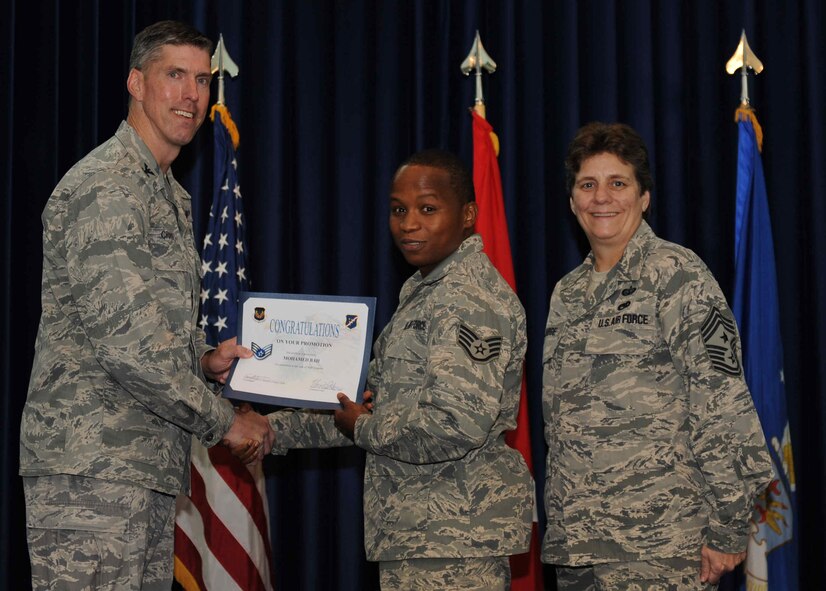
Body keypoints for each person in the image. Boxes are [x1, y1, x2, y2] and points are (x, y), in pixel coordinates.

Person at [19, 20, 274, 590]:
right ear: (136, 82)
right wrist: (223, 422)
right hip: (91, 471)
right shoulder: (108, 187)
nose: (191, 95)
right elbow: (130, 348)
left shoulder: (165, 193)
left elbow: (148, 329)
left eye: (202, 80)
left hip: (139, 467)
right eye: (174, 76)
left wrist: (204, 360)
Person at [245, 149, 533, 589]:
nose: (409, 223)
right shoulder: (425, 292)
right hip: (420, 538)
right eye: (398, 209)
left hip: (454, 544)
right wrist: (269, 430)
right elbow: (360, 404)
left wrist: (363, 429)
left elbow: (454, 424)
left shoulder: (469, 298)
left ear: (469, 214)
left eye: (428, 208)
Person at [541, 122, 773, 590]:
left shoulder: (678, 275)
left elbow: (723, 404)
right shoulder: (566, 293)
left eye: (617, 183)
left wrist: (728, 527)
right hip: (579, 549)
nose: (601, 197)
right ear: (572, 202)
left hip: (661, 547)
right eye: (588, 184)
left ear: (644, 197)